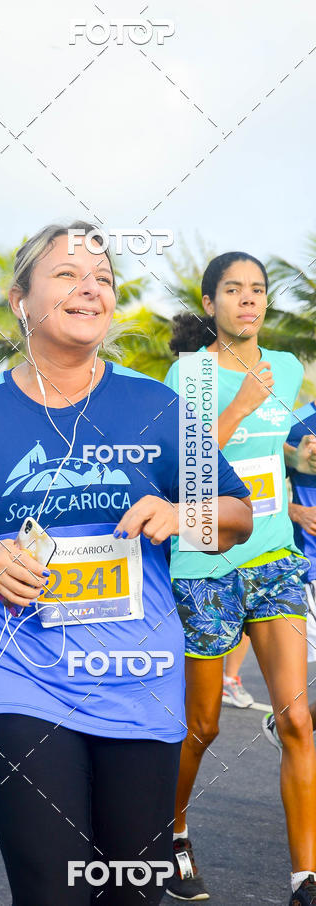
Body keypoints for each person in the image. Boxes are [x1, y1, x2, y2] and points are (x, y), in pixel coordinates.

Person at [0, 221, 252, 906]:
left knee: (130, 893)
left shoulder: (157, 407)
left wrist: (183, 514)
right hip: (16, 673)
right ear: (19, 299)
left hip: (139, 676)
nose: (90, 288)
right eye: (66, 275)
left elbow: (237, 515)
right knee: (52, 889)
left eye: (102, 279)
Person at [164, 252, 316, 904]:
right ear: (211, 304)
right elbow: (187, 469)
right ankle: (171, 835)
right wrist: (243, 402)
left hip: (273, 557)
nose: (248, 299)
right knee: (202, 727)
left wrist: (297, 473)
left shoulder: (287, 368)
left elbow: (268, 454)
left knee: (298, 719)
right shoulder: (189, 373)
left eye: (257, 290)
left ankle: (306, 878)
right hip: (206, 562)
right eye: (233, 290)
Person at [262, 405, 316, 755]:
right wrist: (296, 512)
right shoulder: (293, 425)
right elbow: (249, 488)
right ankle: (291, 726)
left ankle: (290, 726)